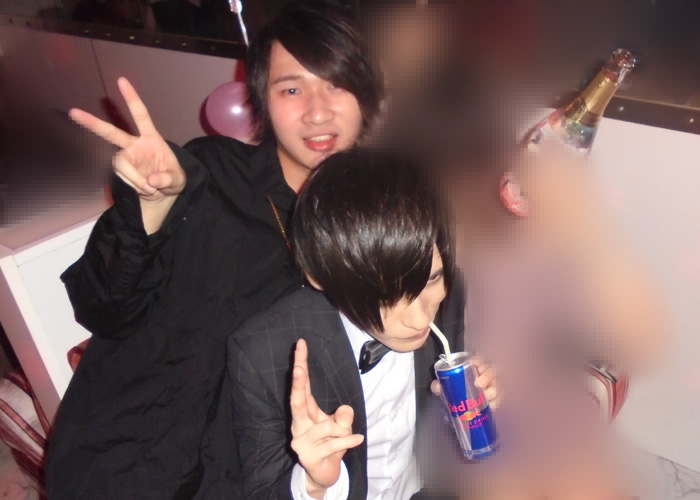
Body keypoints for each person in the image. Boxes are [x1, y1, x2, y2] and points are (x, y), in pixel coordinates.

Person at [44, 2, 383, 498]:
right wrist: (151, 209)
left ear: (366, 97)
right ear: (262, 100)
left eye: (336, 84)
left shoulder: (371, 217)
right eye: (291, 89)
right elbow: (100, 307)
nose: (317, 111)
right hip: (127, 460)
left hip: (250, 474)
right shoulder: (209, 176)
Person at [226, 148, 498, 500]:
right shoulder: (263, 352)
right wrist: (313, 484)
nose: (420, 317)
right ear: (320, 276)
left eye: (431, 279)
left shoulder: (451, 289)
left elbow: (437, 440)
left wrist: (456, 409)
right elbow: (262, 491)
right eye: (386, 296)